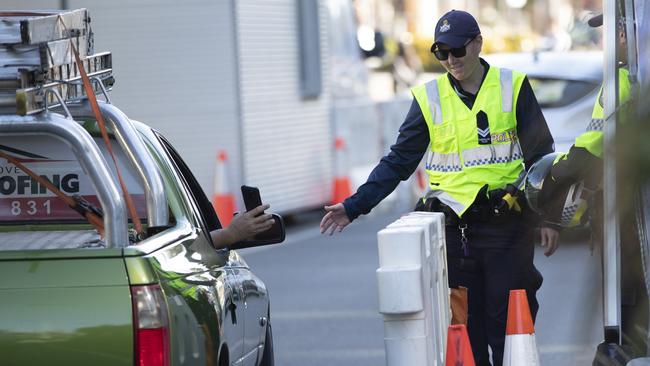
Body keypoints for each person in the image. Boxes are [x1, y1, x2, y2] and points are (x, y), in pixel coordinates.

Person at [320, 10, 559, 365]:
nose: (450, 61)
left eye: (456, 51)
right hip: (452, 233)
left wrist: (548, 217)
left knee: (508, 324)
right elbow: (398, 162)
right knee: (464, 328)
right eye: (441, 53)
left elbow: (541, 157)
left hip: (506, 227)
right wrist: (355, 205)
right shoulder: (428, 98)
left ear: (477, 43)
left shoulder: (512, 86)